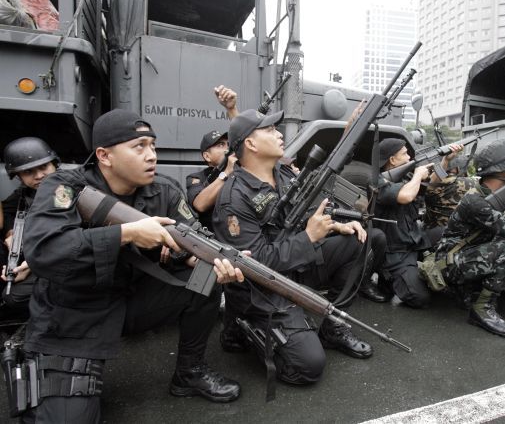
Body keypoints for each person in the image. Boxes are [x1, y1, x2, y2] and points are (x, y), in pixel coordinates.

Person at [19, 109, 242, 423]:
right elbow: (44, 250)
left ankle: (189, 374)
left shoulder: (163, 189)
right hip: (72, 317)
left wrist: (200, 256)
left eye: (152, 146)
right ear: (104, 156)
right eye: (139, 147)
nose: (151, 155)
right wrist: (127, 233)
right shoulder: (65, 187)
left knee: (205, 276)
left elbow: (196, 239)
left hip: (130, 300)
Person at [212, 109, 381, 385]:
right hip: (262, 287)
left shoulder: (284, 173)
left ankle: (333, 328)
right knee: (308, 366)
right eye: (269, 130)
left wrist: (335, 225)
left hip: (294, 265)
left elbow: (308, 209)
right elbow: (256, 265)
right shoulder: (234, 198)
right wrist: (309, 238)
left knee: (360, 241)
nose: (279, 134)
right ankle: (241, 328)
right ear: (250, 144)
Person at [429, 139, 505, 338]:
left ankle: (478, 287)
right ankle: (481, 308)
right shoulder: (475, 201)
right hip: (450, 264)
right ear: (504, 171)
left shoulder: (502, 195)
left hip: (477, 255)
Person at [374, 138, 462, 308]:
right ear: (392, 160)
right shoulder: (377, 181)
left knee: (453, 231)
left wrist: (446, 160)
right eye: (405, 154)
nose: (409, 157)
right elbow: (405, 196)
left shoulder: (405, 175)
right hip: (396, 252)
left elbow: (433, 183)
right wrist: (417, 175)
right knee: (420, 298)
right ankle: (389, 280)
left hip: (415, 241)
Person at [1, 137, 59, 315]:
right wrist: (11, 233)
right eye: (29, 172)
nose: (39, 175)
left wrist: (33, 264)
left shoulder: (69, 190)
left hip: (66, 261)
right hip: (40, 260)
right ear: (18, 177)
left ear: (54, 164)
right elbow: (8, 211)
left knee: (14, 297)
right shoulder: (25, 194)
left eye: (43, 167)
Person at [186, 85, 239, 230]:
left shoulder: (239, 170)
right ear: (206, 156)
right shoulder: (197, 178)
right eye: (220, 145)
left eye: (228, 144)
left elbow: (243, 136)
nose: (226, 148)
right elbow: (200, 204)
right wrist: (226, 173)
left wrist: (231, 109)